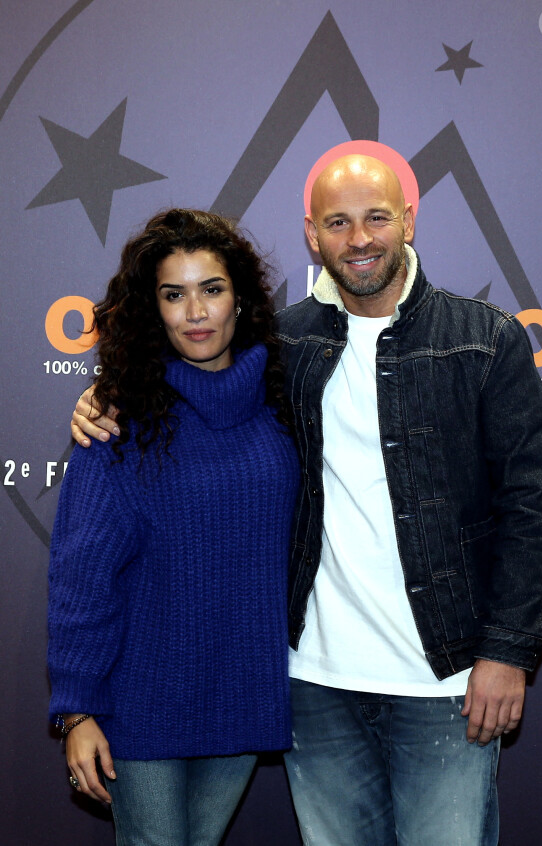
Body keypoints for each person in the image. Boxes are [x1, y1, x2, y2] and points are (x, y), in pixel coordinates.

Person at [71, 155, 542, 846]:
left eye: (376, 217)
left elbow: (530, 509)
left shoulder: (484, 339)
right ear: (312, 235)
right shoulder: (284, 345)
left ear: (408, 220)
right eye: (338, 222)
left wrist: (507, 652)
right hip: (313, 685)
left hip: (446, 682)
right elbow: (182, 373)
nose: (359, 238)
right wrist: (103, 394)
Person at [49, 208, 300, 846]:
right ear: (152, 308)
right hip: (141, 701)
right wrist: (77, 710)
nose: (195, 311)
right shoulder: (119, 418)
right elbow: (83, 576)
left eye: (211, 289)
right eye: (173, 293)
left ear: (239, 299)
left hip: (244, 689)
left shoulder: (284, 401)